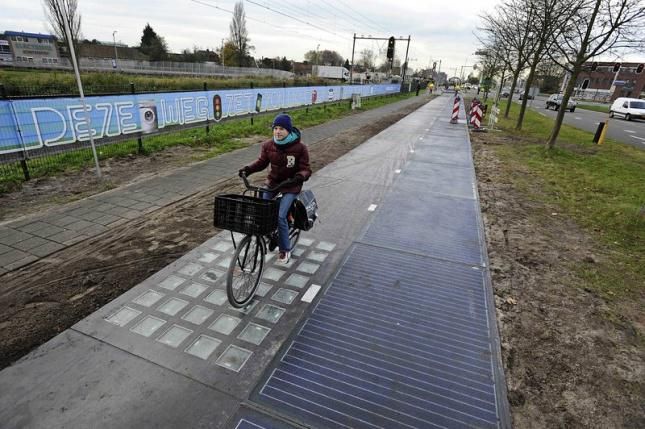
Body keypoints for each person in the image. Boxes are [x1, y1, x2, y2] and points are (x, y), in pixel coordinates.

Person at [239, 113, 311, 265]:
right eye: (275, 128)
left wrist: (300, 176)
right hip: (273, 183)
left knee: (280, 216)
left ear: (289, 131)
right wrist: (247, 169)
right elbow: (261, 162)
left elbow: (306, 169)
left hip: (291, 186)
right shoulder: (268, 145)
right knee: (262, 210)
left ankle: (285, 249)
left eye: (282, 129)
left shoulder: (300, 148)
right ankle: (272, 235)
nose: (277, 132)